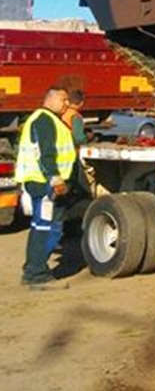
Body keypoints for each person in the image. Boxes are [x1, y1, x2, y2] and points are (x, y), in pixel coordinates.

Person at [14, 85, 77, 288]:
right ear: (50, 99)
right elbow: (45, 152)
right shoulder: (44, 120)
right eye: (63, 99)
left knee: (42, 226)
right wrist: (55, 179)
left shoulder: (48, 119)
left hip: (41, 182)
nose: (67, 103)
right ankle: (36, 273)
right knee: (47, 228)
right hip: (44, 184)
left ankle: (33, 270)